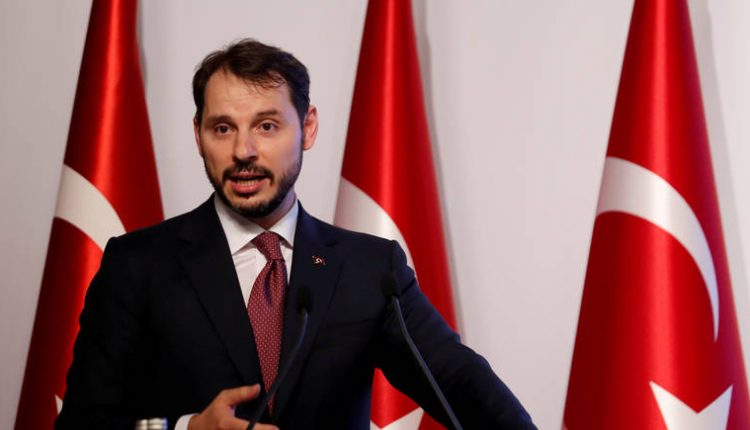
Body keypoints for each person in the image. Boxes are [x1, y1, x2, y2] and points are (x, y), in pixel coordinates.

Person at [55, 38, 535, 430]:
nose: (243, 151)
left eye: (266, 126)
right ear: (198, 134)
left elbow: (458, 381)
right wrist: (186, 429)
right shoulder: (139, 265)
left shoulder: (371, 271)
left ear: (307, 128)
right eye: (222, 129)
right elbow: (80, 423)